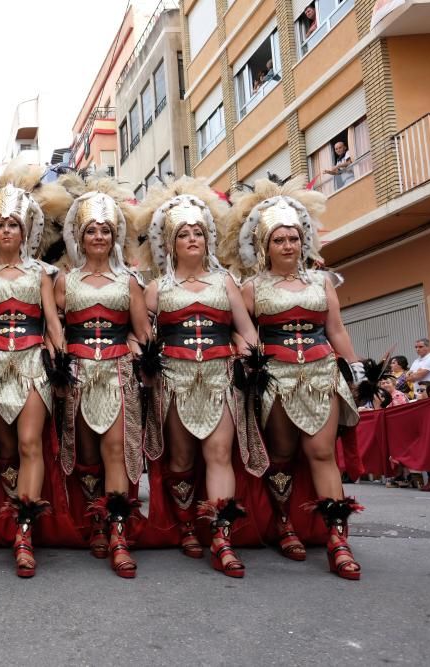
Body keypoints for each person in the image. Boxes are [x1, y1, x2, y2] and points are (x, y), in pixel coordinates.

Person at [230, 175, 364, 580]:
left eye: (293, 238)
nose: (288, 245)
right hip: (276, 379)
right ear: (265, 246)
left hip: (322, 373)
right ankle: (284, 522)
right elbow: (239, 327)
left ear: (302, 241)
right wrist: (246, 354)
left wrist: (354, 365)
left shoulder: (323, 281)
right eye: (279, 240)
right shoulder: (251, 287)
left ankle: (337, 539)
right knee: (283, 456)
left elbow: (336, 327)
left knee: (321, 454)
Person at [140, 177, 266, 579]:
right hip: (174, 380)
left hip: (219, 377)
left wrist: (249, 355)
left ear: (207, 240)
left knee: (218, 455)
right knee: (180, 459)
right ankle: (184, 525)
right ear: (170, 243)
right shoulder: (156, 288)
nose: (192, 239)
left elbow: (246, 328)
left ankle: (221, 535)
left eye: (198, 232)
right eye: (183, 234)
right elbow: (143, 336)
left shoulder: (225, 282)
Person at [0, 162, 68, 578]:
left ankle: (24, 531)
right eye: (0, 224)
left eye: (14, 224)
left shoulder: (42, 273)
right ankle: (16, 505)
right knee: (6, 450)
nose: (7, 230)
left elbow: (52, 323)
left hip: (31, 363)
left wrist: (59, 360)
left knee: (30, 444)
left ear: (26, 231)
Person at [54, 174, 152, 578]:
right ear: (79, 235)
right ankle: (95, 518)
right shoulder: (63, 280)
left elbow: (143, 330)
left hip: (116, 371)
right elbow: (54, 325)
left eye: (105, 230)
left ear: (115, 236)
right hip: (77, 371)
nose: (98, 236)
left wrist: (134, 343)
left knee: (113, 449)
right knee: (85, 454)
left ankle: (116, 531)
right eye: (91, 230)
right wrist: (55, 355)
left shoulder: (129, 281)